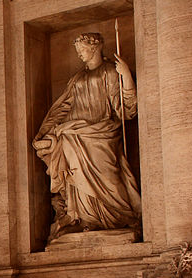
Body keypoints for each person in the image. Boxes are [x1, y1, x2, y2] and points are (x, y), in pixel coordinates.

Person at [33, 32, 141, 242]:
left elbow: (125, 110)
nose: (80, 54)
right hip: (73, 133)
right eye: (78, 51)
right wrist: (47, 130)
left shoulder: (109, 72)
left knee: (108, 175)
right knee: (75, 174)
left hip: (102, 132)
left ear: (95, 48)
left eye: (82, 49)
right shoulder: (77, 78)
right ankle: (85, 218)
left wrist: (126, 76)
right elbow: (63, 106)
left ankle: (118, 216)